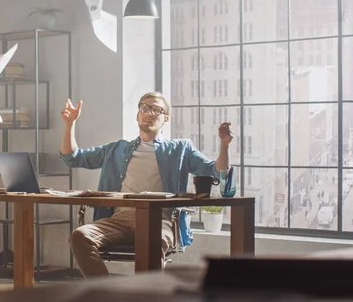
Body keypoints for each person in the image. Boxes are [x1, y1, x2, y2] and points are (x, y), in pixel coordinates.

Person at [60, 91, 232, 278]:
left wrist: (224, 146)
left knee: (152, 241)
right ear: (137, 115)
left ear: (165, 119)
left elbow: (216, 171)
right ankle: (106, 293)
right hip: (118, 220)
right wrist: (70, 124)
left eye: (156, 109)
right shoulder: (116, 149)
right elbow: (73, 158)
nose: (149, 112)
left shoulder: (180, 149)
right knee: (80, 236)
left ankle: (148, 295)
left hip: (158, 221)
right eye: (144, 107)